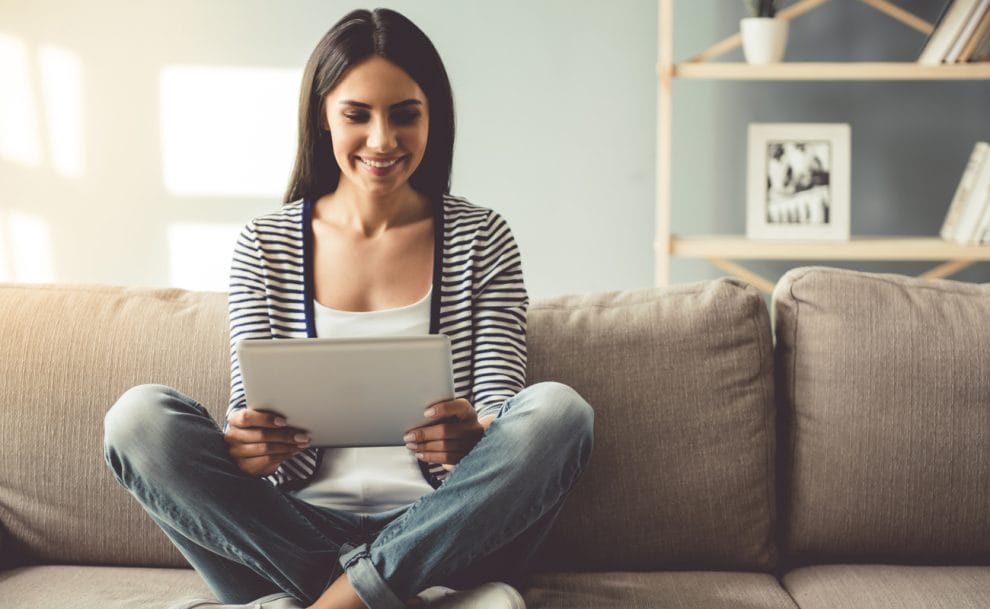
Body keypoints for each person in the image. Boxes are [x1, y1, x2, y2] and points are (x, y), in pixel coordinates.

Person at [103, 8, 593, 609]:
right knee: (139, 419)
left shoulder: (481, 237)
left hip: (447, 535)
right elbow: (254, 424)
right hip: (292, 537)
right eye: (357, 115)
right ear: (323, 118)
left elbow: (499, 406)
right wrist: (254, 450)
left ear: (433, 117)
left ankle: (333, 603)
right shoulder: (265, 245)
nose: (382, 140)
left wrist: (476, 436)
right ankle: (388, 597)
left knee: (559, 412)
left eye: (405, 115)